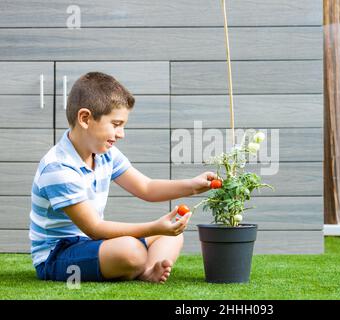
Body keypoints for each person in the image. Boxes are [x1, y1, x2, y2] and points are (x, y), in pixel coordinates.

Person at [29, 72, 216, 283]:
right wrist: (154, 227)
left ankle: (145, 272)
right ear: (85, 118)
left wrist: (192, 186)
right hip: (58, 255)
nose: (121, 134)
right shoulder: (58, 167)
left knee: (171, 235)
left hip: (93, 244)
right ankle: (137, 263)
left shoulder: (105, 154)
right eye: (116, 124)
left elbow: (146, 187)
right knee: (131, 250)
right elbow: (95, 228)